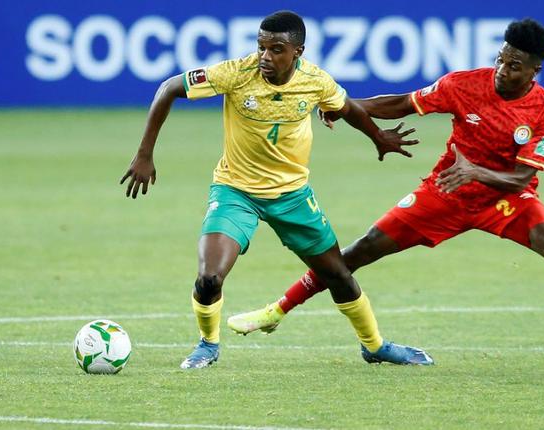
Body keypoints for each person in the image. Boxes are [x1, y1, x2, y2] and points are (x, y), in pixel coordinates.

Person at [227, 18, 544, 372]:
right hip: (445, 193)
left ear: (535, 71)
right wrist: (345, 108)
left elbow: (522, 177)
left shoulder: (543, 110)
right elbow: (403, 103)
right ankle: (276, 311)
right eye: (501, 59)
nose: (502, 71)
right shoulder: (464, 84)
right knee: (360, 250)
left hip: (504, 199)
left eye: (514, 66)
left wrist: (474, 172)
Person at [120, 11, 433, 369]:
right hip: (236, 191)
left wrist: (378, 137)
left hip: (293, 196)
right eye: (261, 47)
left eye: (276, 49)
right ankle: (208, 343)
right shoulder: (236, 73)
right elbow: (169, 88)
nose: (265, 56)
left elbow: (346, 108)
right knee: (209, 277)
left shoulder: (315, 81)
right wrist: (144, 153)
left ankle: (375, 346)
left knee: (338, 275)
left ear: (298, 51)